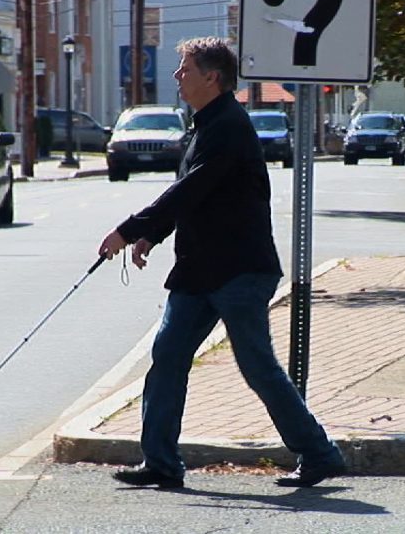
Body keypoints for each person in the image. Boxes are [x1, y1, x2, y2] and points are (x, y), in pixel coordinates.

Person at [98, 37, 345, 489]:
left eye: (185, 69)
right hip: (198, 270)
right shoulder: (202, 124)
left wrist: (130, 229)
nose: (177, 77)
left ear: (212, 77)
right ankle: (161, 462)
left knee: (256, 365)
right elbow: (194, 195)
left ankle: (319, 454)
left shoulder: (229, 126)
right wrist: (153, 234)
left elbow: (191, 189)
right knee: (168, 355)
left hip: (240, 270)